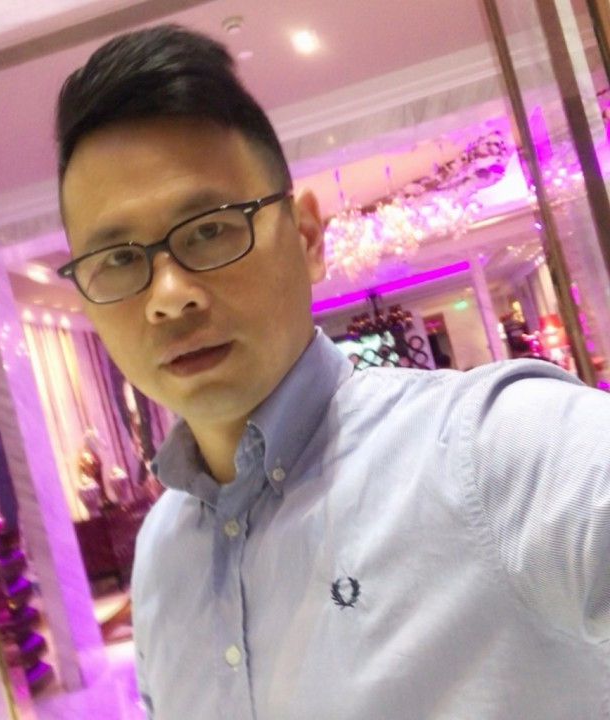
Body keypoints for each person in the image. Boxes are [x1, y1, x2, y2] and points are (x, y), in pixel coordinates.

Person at [54, 24, 610, 720]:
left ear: (308, 237)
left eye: (209, 229)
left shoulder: (491, 453)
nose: (168, 296)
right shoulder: (161, 555)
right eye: (117, 260)